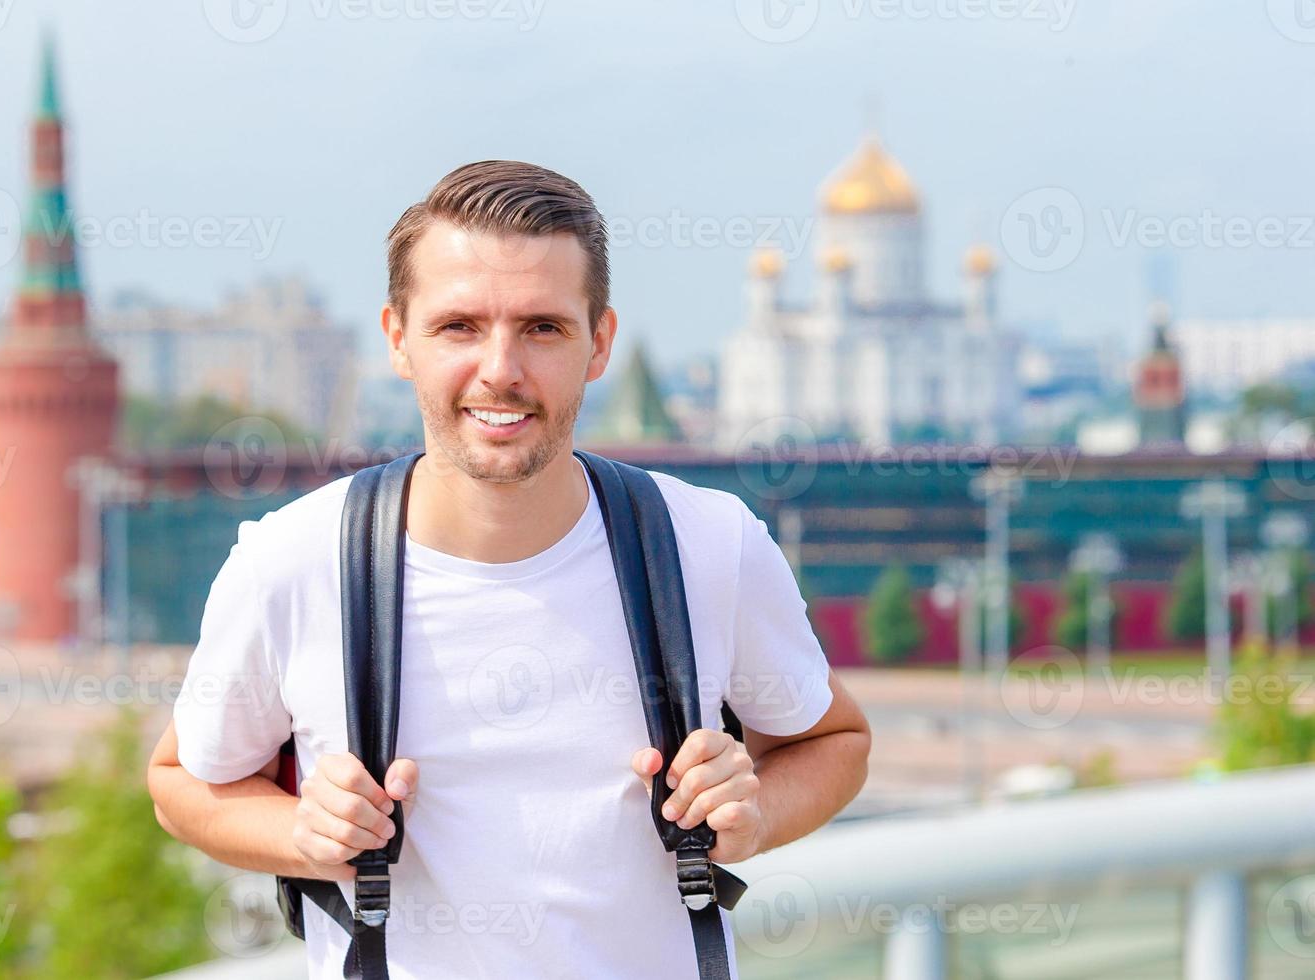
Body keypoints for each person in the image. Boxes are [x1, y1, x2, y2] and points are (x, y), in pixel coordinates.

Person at [146, 160, 871, 978]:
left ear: (599, 342)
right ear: (397, 339)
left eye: (543, 327)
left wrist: (753, 814)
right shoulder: (294, 561)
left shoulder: (706, 543)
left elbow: (834, 740)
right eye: (459, 326)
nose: (500, 369)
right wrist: (300, 835)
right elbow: (182, 782)